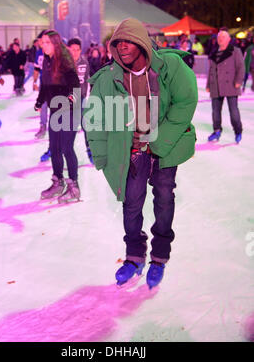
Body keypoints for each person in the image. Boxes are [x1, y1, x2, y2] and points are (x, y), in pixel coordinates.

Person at [84, 18, 198, 289]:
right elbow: (96, 117)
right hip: (132, 149)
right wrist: (101, 154)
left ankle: (159, 255)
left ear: (142, 43)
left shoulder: (170, 67)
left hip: (164, 148)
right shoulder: (108, 77)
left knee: (163, 199)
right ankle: (134, 255)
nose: (122, 46)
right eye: (117, 43)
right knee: (131, 202)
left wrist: (161, 141)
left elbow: (186, 100)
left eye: (128, 41)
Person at [34, 30, 81, 202]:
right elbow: (45, 85)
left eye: (47, 42)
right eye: (42, 42)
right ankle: (58, 182)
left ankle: (74, 187)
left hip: (69, 111)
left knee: (67, 148)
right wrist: (40, 102)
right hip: (55, 111)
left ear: (55, 43)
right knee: (54, 149)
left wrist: (69, 102)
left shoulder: (64, 60)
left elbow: (75, 86)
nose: (43, 45)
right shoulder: (47, 60)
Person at [206, 29, 245, 143]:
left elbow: (241, 67)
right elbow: (211, 71)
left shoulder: (235, 51)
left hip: (231, 85)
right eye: (219, 37)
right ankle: (217, 131)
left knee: (233, 112)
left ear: (228, 39)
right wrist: (209, 84)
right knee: (215, 112)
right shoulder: (214, 52)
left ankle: (238, 131)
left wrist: (238, 81)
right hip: (216, 86)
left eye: (223, 37)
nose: (220, 39)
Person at [68, 37, 93, 164]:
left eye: (77, 50)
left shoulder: (85, 62)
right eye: (73, 50)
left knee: (86, 124)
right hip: (66, 100)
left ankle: (90, 149)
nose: (75, 52)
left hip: (81, 98)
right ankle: (57, 149)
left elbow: (88, 78)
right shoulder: (64, 63)